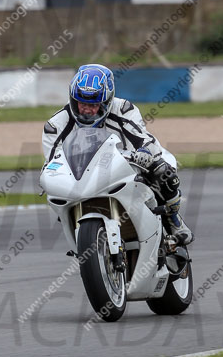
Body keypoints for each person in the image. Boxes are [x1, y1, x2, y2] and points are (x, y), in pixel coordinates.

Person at [42, 63, 193, 245]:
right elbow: (52, 161)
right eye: (82, 103)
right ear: (73, 100)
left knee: (163, 170)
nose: (87, 110)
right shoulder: (55, 125)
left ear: (106, 101)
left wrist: (144, 153)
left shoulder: (123, 110)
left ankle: (173, 219)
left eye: (94, 104)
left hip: (126, 164)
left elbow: (143, 140)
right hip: (82, 175)